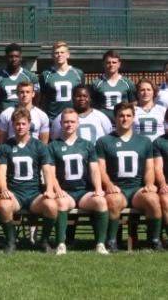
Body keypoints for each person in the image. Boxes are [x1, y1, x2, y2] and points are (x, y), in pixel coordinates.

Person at [96, 102, 162, 251]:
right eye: (121, 116)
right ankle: (112, 241)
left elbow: (149, 167)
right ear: (115, 118)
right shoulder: (104, 141)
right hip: (117, 188)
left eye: (128, 116)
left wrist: (150, 183)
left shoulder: (144, 141)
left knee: (153, 198)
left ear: (133, 118)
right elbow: (101, 169)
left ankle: (154, 240)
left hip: (137, 188)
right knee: (113, 200)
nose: (124, 119)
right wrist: (109, 185)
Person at [0, 107, 58, 253]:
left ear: (29, 124)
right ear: (12, 125)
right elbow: (1, 172)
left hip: (34, 194)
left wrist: (49, 190)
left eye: (23, 124)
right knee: (4, 206)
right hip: (15, 194)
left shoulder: (39, 146)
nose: (20, 127)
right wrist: (4, 189)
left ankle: (44, 242)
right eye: (17, 124)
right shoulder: (5, 147)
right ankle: (11, 242)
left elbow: (47, 170)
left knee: (51, 206)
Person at [49, 109, 109, 255]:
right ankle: (61, 243)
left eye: (72, 121)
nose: (69, 124)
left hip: (83, 191)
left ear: (78, 123)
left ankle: (100, 243)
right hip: (65, 191)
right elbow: (50, 172)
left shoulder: (87, 145)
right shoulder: (53, 146)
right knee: (61, 203)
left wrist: (98, 188)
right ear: (61, 124)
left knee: (101, 202)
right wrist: (57, 189)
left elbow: (94, 169)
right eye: (66, 122)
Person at [40, 41, 84, 120]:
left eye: (62, 52)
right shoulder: (45, 74)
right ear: (52, 55)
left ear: (68, 54)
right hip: (52, 119)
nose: (59, 55)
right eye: (56, 53)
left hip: (73, 118)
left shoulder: (78, 73)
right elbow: (42, 98)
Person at [91, 50, 136, 123]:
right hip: (103, 123)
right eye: (108, 62)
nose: (111, 65)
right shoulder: (96, 84)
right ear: (103, 64)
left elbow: (134, 103)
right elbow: (92, 105)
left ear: (119, 64)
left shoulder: (128, 83)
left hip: (123, 122)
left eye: (114, 62)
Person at [0, 43, 39, 111]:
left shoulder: (30, 76)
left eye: (16, 56)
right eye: (11, 56)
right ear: (6, 57)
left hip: (25, 117)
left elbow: (37, 98)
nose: (14, 59)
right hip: (5, 117)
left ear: (21, 57)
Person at [152, 125, 168, 242]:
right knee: (166, 200)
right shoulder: (159, 142)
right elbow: (157, 168)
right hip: (166, 185)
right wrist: (163, 184)